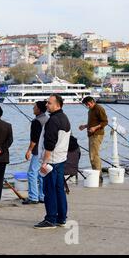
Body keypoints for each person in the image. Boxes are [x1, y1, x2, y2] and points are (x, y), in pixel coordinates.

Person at [35, 94, 71, 229]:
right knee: (59, 189)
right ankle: (61, 218)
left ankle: (50, 219)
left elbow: (49, 144)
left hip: (52, 161)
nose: (46, 105)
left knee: (49, 190)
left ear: (58, 105)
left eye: (49, 103)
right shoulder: (64, 118)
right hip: (61, 159)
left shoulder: (53, 121)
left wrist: (44, 162)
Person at [23, 101, 49, 205]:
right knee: (41, 173)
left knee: (32, 173)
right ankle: (42, 196)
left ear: (38, 109)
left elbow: (34, 139)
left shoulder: (36, 121)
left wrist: (29, 150)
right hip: (46, 150)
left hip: (38, 151)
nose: (33, 108)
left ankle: (33, 197)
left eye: (34, 107)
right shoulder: (47, 119)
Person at [79, 96, 108, 183]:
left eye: (88, 104)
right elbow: (92, 122)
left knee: (94, 155)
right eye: (86, 105)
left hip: (97, 134)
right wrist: (85, 126)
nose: (87, 106)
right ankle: (96, 174)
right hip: (91, 134)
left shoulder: (99, 108)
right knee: (92, 156)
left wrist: (95, 128)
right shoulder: (90, 110)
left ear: (92, 101)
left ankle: (98, 176)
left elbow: (105, 121)